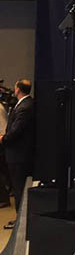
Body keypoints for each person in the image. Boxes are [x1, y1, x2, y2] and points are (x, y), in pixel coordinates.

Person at [0, 79, 35, 224]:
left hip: (18, 155)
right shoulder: (27, 104)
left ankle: (21, 220)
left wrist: (3, 138)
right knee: (19, 187)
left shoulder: (24, 107)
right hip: (19, 154)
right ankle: (20, 218)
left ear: (18, 89)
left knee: (19, 187)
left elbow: (16, 131)